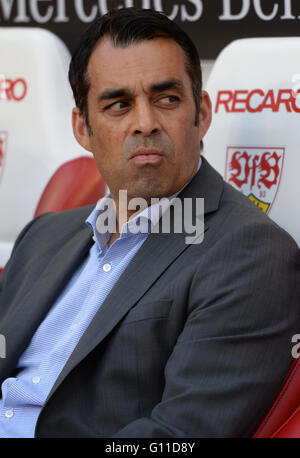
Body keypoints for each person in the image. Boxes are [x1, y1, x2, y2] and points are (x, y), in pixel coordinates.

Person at [0, 7, 299, 439]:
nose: (145, 123)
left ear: (203, 114)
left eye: (167, 99)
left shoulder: (251, 253)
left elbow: (178, 438)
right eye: (118, 104)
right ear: (82, 128)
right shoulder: (42, 236)